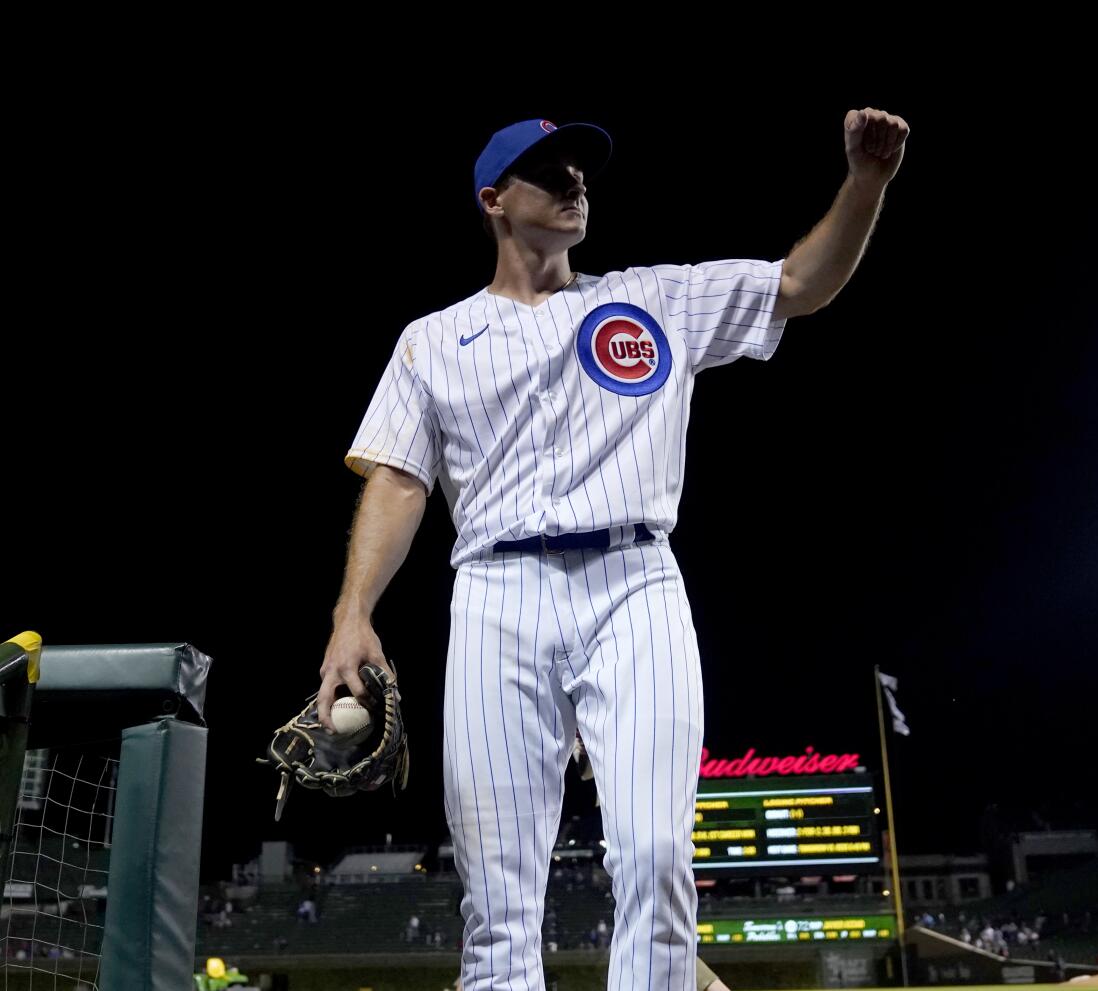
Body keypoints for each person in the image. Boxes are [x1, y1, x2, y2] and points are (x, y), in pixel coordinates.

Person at [319, 108, 909, 991]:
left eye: (579, 169)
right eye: (546, 170)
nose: (573, 181)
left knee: (660, 850)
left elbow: (800, 283)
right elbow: (399, 481)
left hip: (635, 584)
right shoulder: (432, 340)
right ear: (493, 199)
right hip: (495, 591)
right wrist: (352, 615)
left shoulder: (651, 299)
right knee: (499, 894)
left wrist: (867, 183)